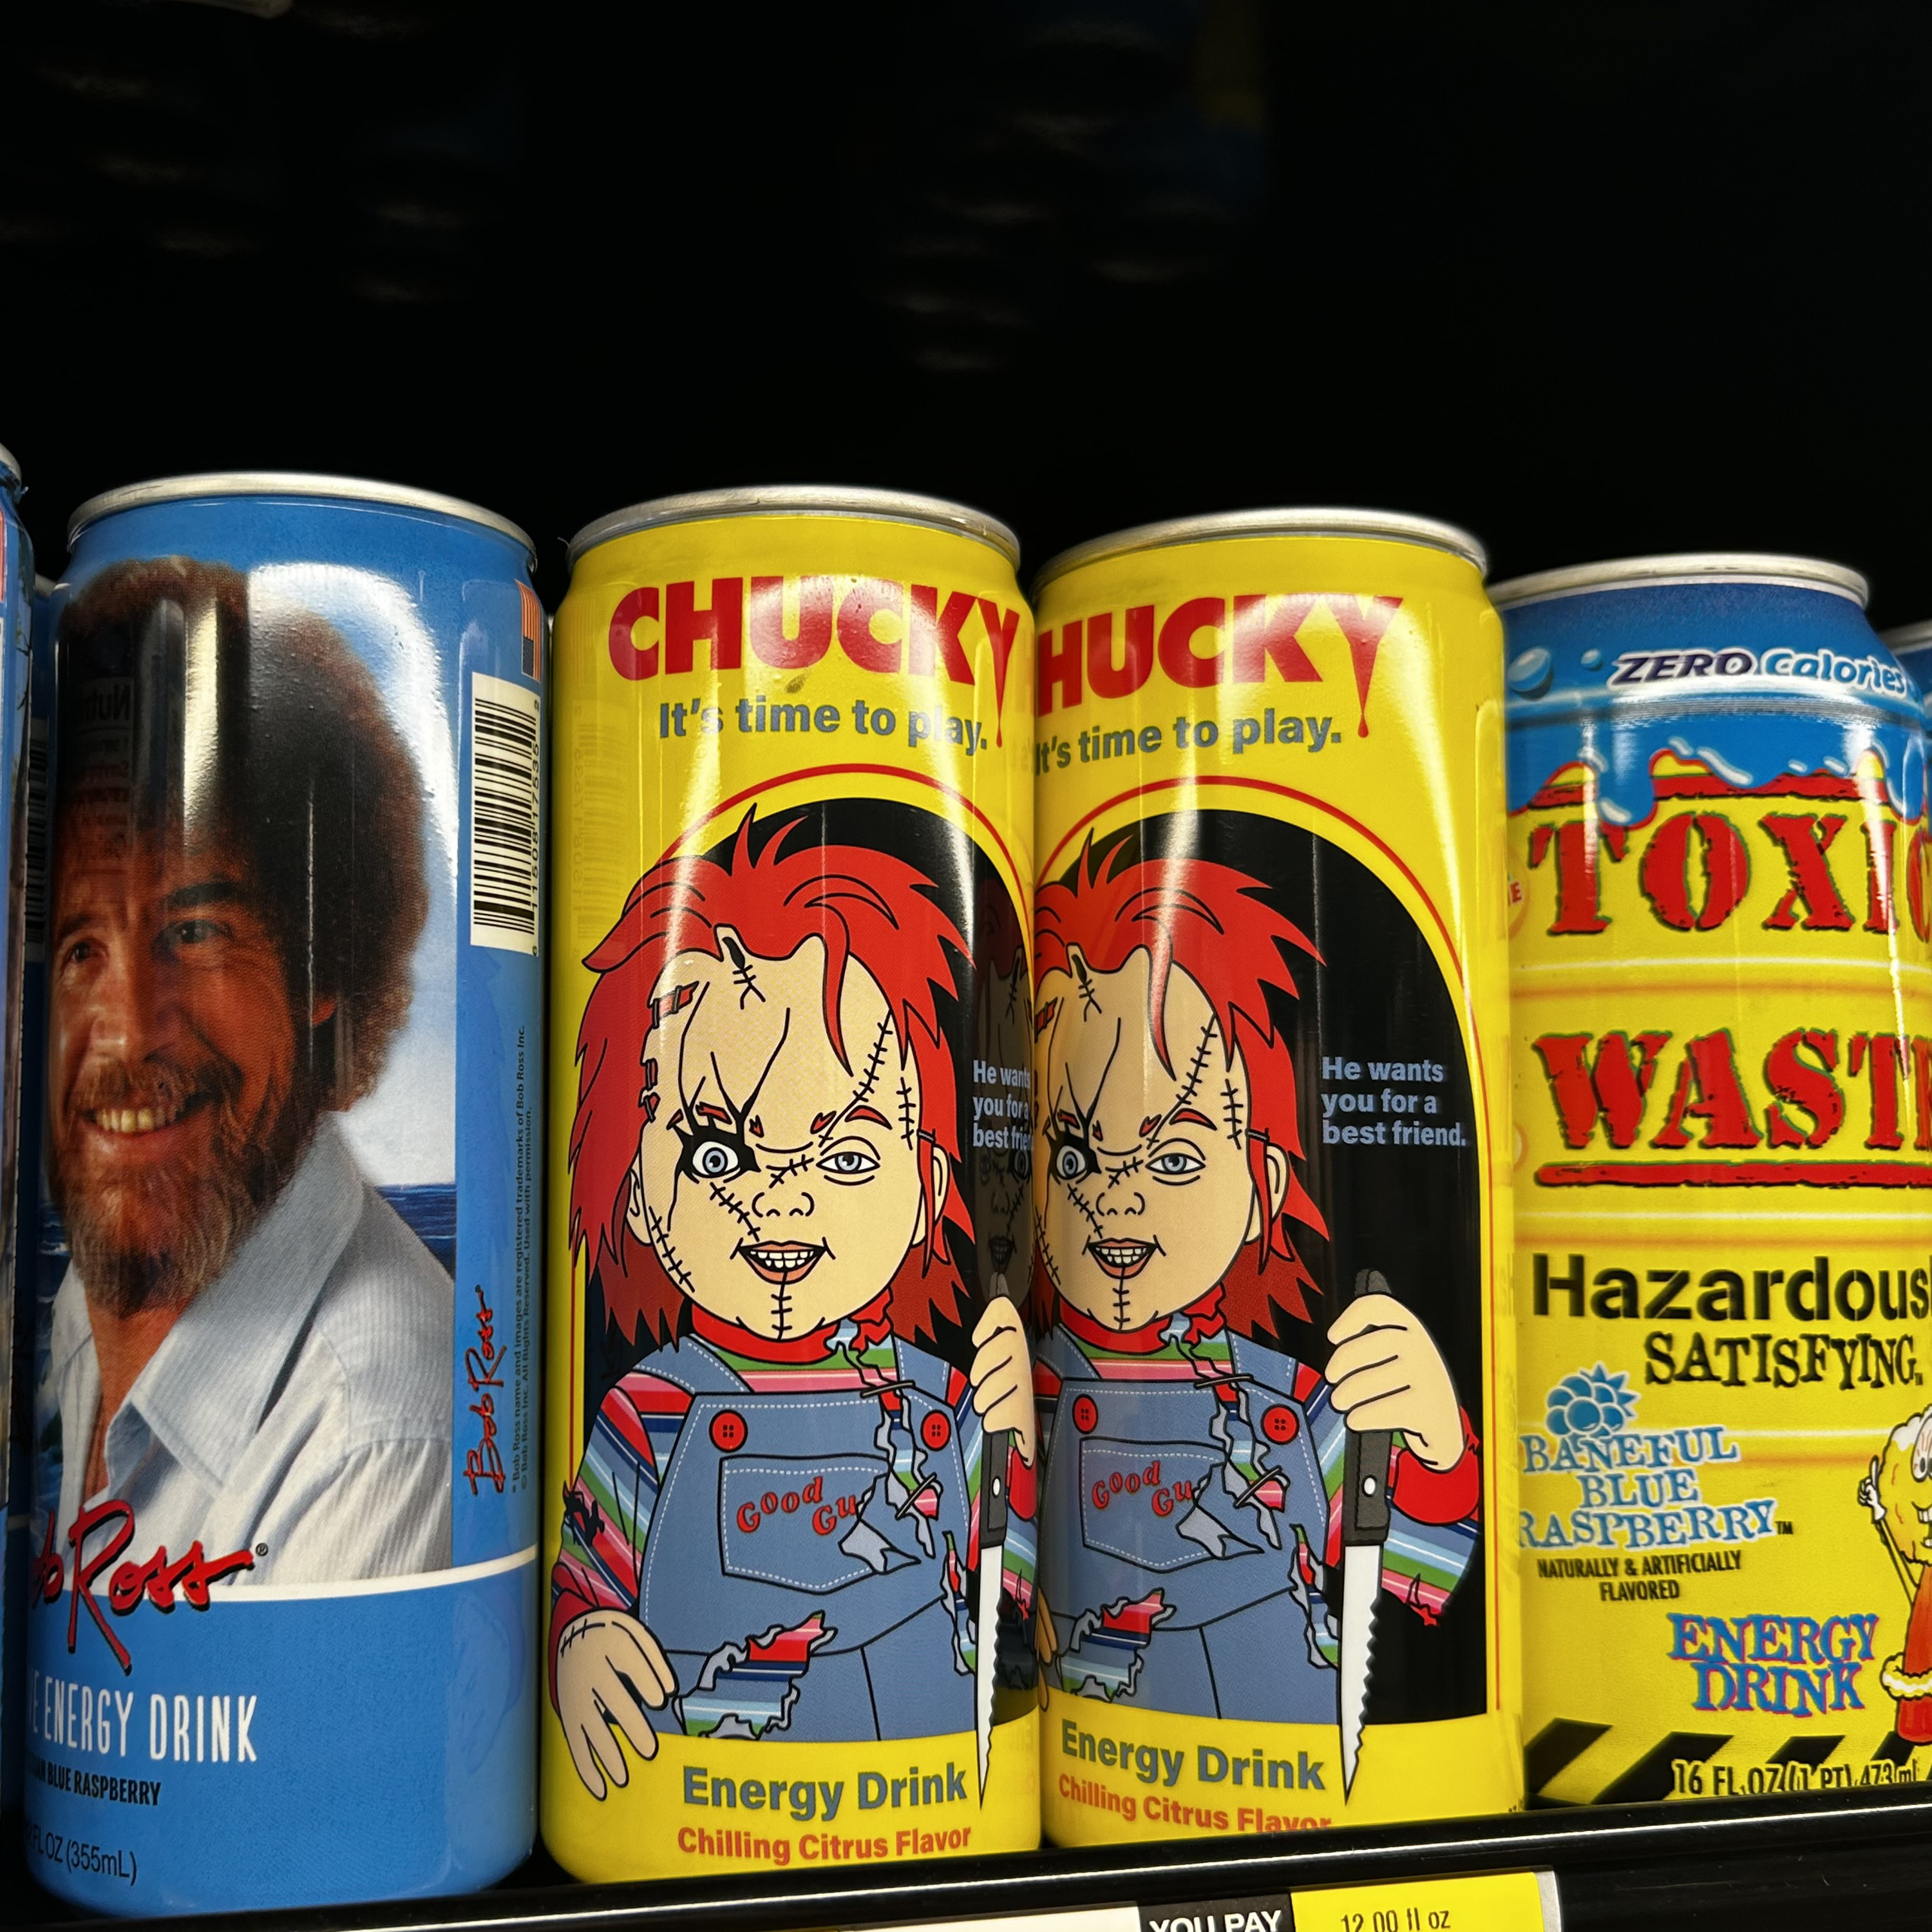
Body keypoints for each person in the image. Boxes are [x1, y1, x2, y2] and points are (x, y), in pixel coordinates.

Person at [551, 811, 1034, 1797]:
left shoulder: (948, 1404)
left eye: (846, 1156)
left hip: (934, 1775)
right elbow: (592, 1578)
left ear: (928, 1191)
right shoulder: (647, 1412)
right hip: (703, 1778)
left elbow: (1010, 1594)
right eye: (715, 1155)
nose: (780, 1198)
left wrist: (1015, 1448)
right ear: (636, 1190)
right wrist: (583, 1638)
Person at [39, 556, 450, 1600]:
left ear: (323, 965)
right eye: (82, 949)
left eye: (195, 931)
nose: (127, 1034)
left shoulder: (379, 1430)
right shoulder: (87, 1301)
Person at [1030, 835, 1481, 1723]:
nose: (1117, 1199)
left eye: (1175, 1158)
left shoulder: (1291, 1406)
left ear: (1261, 1190)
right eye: (1075, 1157)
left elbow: (1417, 1578)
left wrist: (1436, 1446)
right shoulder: (1034, 1386)